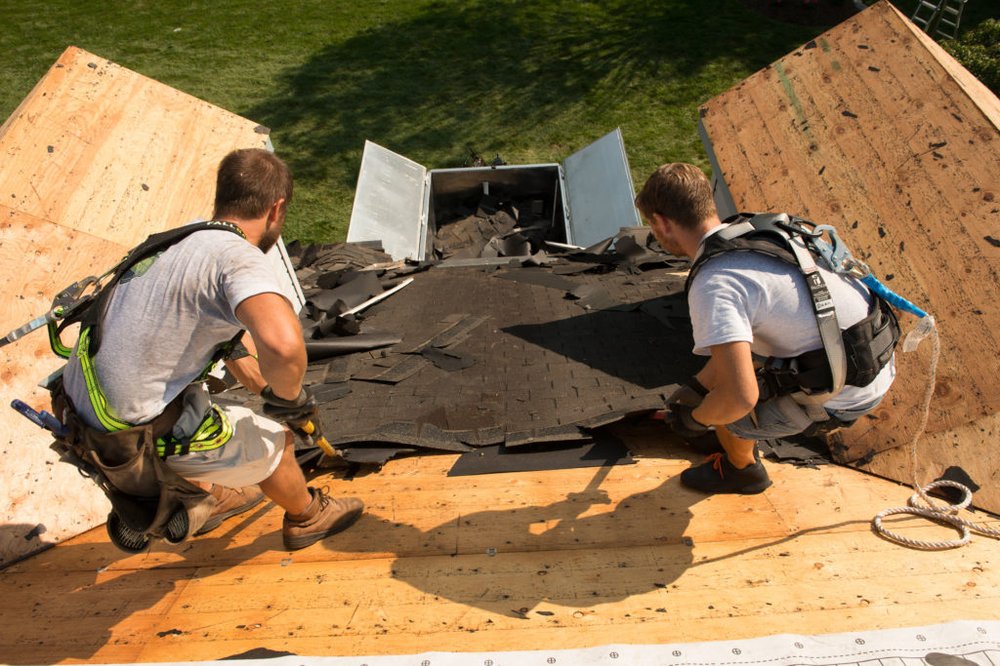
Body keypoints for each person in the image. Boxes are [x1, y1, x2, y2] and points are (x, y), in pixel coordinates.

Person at [60, 148, 363, 549]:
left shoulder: (180, 240)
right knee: (276, 442)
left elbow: (236, 348)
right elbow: (284, 347)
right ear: (277, 209)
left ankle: (209, 496)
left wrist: (273, 394)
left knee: (209, 406)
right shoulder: (237, 258)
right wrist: (289, 402)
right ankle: (308, 516)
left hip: (78, 414)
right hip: (131, 436)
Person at [635, 163, 897, 494]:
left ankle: (742, 470)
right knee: (724, 384)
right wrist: (695, 391)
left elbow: (741, 396)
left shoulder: (715, 284)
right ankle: (718, 428)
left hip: (845, 396)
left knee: (728, 406)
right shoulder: (758, 232)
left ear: (660, 222)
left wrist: (695, 420)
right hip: (871, 358)